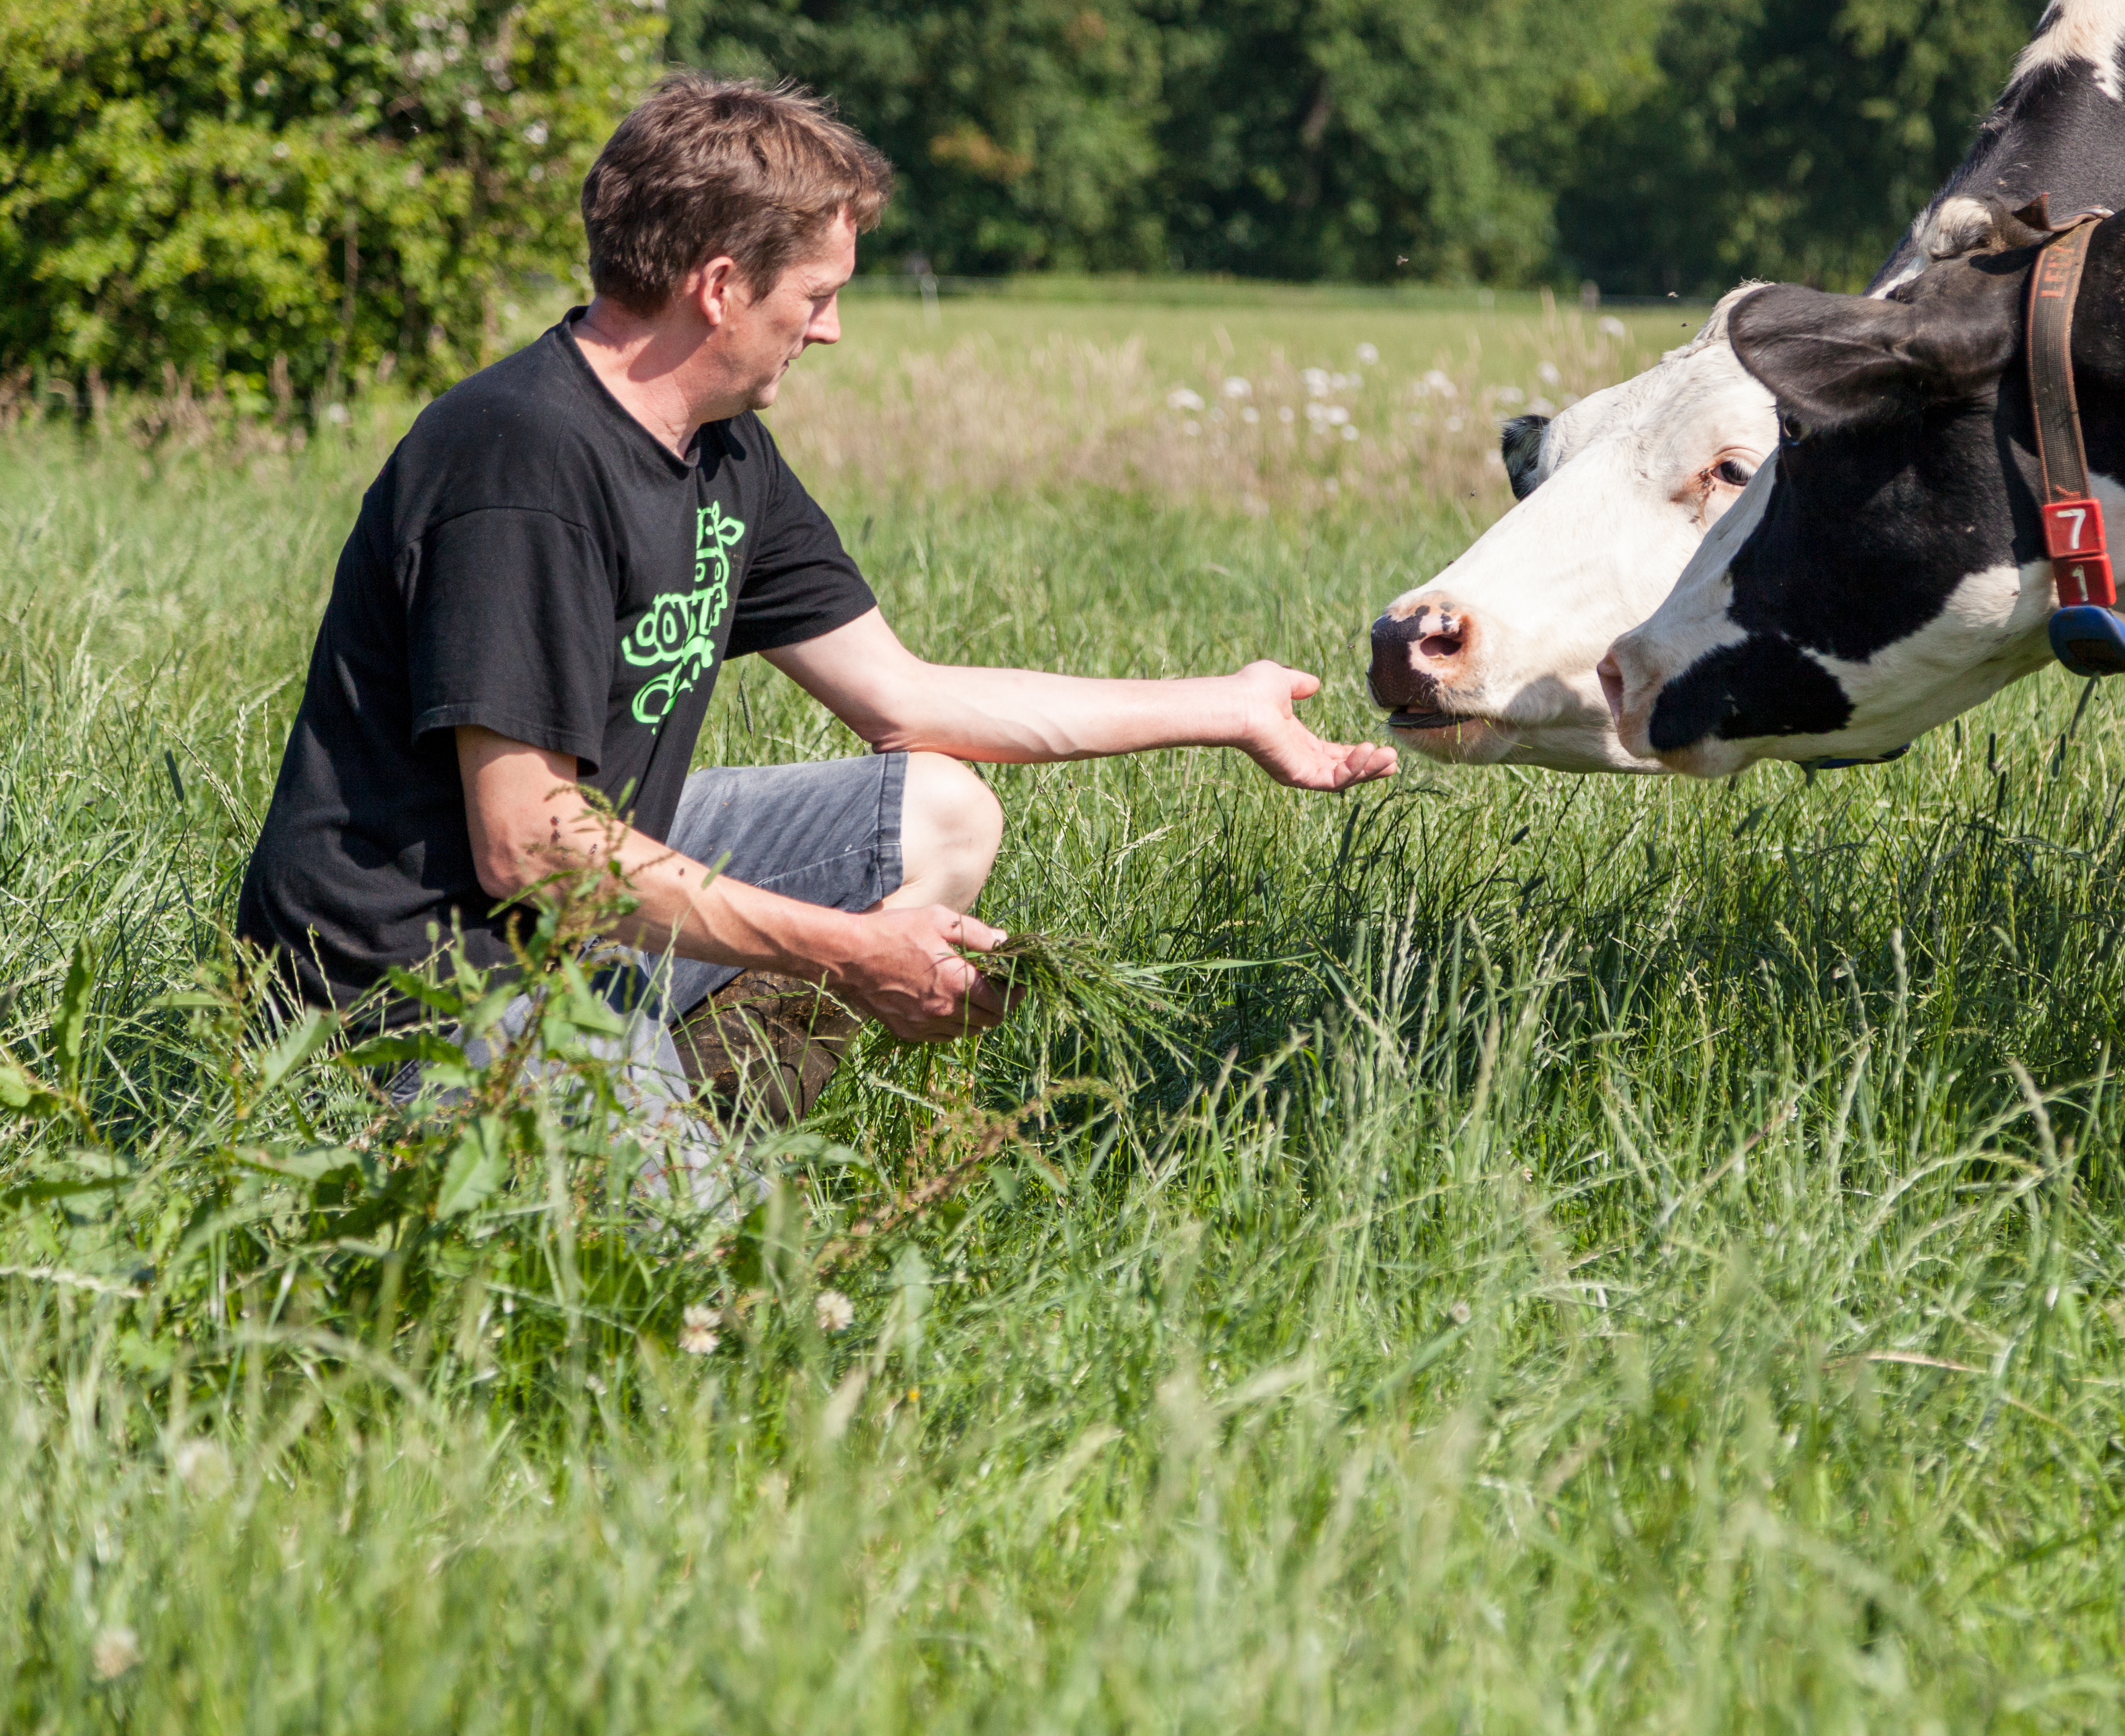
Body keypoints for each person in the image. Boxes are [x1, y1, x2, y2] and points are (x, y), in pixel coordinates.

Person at [237, 73, 1396, 1127]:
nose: (833, 327)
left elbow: (907, 698)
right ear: (721, 287)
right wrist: (847, 953)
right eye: (818, 293)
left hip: (577, 928)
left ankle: (702, 1119)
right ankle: (631, 1148)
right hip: (419, 987)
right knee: (695, 1291)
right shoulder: (519, 463)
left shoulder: (721, 453)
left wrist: (1230, 708)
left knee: (939, 812)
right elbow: (530, 845)